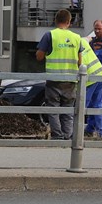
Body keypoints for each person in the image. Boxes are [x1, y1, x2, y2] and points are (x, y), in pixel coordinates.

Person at [36, 9, 82, 140]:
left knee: (53, 109)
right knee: (68, 110)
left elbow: (39, 56)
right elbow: (80, 61)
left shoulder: (50, 35)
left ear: (55, 21)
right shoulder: (76, 38)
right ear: (69, 22)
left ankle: (57, 135)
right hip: (71, 80)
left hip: (54, 79)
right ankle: (68, 136)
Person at [79, 38, 102, 138]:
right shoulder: (81, 40)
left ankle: (77, 132)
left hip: (89, 77)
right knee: (98, 105)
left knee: (81, 106)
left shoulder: (72, 46)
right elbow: (89, 38)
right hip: (100, 73)